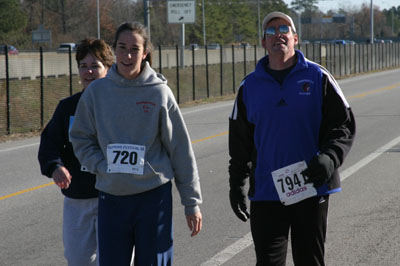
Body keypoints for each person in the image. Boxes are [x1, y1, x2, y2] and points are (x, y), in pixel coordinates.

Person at [69, 22, 203, 266]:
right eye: (122, 47)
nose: (127, 55)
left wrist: (191, 202)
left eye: (134, 49)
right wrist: (100, 165)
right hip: (112, 197)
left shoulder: (159, 93)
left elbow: (180, 150)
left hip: (153, 198)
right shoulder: (97, 92)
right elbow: (80, 137)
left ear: (145, 53)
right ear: (114, 50)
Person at [228, 11, 356, 266]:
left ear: (295, 38)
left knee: (309, 260)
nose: (278, 35)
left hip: (311, 187)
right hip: (266, 191)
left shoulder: (318, 77)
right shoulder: (249, 87)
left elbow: (343, 125)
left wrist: (330, 158)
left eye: (284, 29)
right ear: (263, 43)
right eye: (270, 31)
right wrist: (236, 184)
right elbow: (240, 142)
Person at [38, 38, 114, 266]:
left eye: (95, 65)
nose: (88, 71)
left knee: (113, 258)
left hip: (112, 196)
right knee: (77, 259)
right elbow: (50, 143)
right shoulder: (68, 107)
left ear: (108, 69)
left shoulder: (120, 105)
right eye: (83, 66)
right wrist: (56, 166)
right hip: (77, 198)